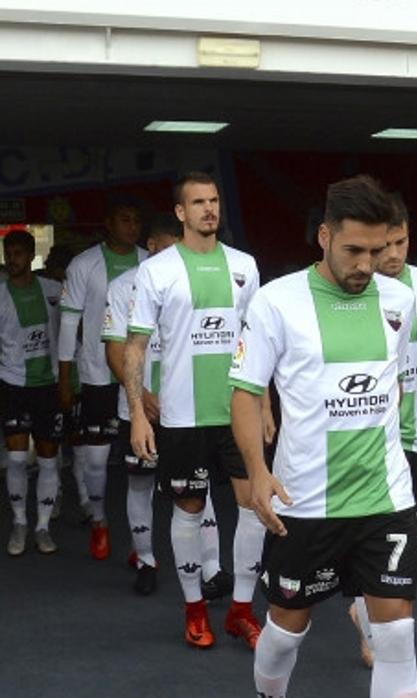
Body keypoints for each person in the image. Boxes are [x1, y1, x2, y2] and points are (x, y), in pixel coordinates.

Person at [233, 175, 417, 698]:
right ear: (324, 236)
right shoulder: (276, 301)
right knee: (285, 634)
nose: (367, 264)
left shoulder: (400, 300)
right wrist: (257, 472)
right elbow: (245, 393)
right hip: (305, 503)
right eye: (353, 250)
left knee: (396, 633)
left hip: (386, 499)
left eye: (377, 251)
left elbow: (394, 385)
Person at [123, 172, 265, 649]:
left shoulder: (245, 265)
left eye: (214, 200)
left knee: (254, 506)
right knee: (189, 508)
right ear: (181, 213)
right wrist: (138, 413)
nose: (209, 209)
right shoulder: (157, 270)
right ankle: (195, 609)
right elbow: (135, 346)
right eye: (198, 202)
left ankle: (241, 611)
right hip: (183, 416)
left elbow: (258, 342)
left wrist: (264, 404)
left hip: (237, 412)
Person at [347, 192, 417, 667]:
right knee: (378, 542)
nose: (391, 254)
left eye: (400, 242)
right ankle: (373, 626)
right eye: (383, 244)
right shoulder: (354, 291)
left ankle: (370, 610)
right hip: (376, 441)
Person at [102, 214, 225, 596]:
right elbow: (115, 350)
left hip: (186, 407)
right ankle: (145, 560)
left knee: (197, 486)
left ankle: (212, 569)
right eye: (172, 248)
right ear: (152, 246)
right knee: (140, 483)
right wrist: (142, 396)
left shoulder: (196, 280)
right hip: (139, 407)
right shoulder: (123, 286)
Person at [58, 198, 146, 560]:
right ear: (108, 223)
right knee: (96, 460)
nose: (132, 226)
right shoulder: (84, 264)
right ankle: (99, 520)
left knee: (141, 464)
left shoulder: (151, 264)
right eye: (125, 219)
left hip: (140, 378)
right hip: (97, 375)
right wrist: (65, 377)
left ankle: (142, 546)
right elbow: (68, 322)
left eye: (137, 220)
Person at [1, 230, 64, 556]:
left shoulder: (52, 290)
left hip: (47, 387)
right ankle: (19, 522)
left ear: (30, 255)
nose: (12, 260)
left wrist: (68, 380)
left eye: (18, 253)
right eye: (8, 254)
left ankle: (42, 527)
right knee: (15, 458)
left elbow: (73, 329)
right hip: (13, 385)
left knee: (48, 460)